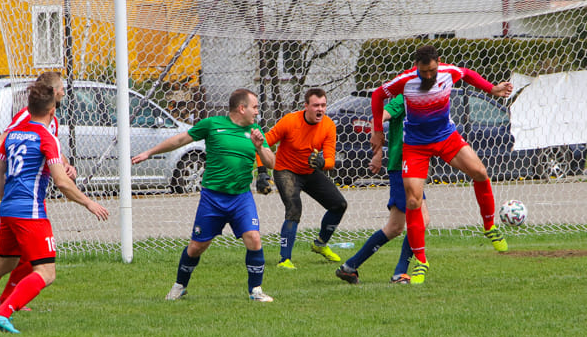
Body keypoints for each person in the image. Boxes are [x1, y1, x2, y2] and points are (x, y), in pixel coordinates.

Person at [0, 82, 108, 333]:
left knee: (4, 264)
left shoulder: (13, 135)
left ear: (29, 108)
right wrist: (89, 202)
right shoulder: (47, 138)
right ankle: (2, 312)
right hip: (31, 212)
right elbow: (61, 181)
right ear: (52, 112)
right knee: (46, 272)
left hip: (8, 209)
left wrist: (8, 198)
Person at [370, 44, 513, 284]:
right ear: (417, 66)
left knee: (479, 172)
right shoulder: (405, 80)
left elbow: (467, 73)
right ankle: (421, 262)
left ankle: (489, 226)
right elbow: (377, 95)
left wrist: (492, 89)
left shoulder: (448, 72)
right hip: (415, 145)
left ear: (439, 63)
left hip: (446, 138)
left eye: (432, 71)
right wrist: (377, 131)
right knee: (413, 200)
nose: (428, 75)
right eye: (424, 71)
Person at [131, 88, 276, 302]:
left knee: (254, 239)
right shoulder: (212, 125)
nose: (257, 112)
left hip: (241, 198)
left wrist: (260, 147)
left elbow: (272, 163)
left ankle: (255, 291)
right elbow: (181, 139)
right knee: (197, 246)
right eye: (254, 107)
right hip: (213, 199)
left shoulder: (255, 131)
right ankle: (179, 286)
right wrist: (150, 152)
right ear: (241, 108)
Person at [0, 71, 77, 309]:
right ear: (54, 93)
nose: (64, 92)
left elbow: (49, 145)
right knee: (32, 258)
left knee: (28, 255)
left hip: (32, 195)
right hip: (23, 195)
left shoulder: (50, 120)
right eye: (62, 88)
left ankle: (8, 298)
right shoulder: (26, 115)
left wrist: (64, 165)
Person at [334, 94, 429, 285]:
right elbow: (379, 117)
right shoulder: (404, 98)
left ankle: (350, 267)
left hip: (412, 167)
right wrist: (377, 151)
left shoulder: (429, 99)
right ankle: (399, 273)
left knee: (394, 227)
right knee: (421, 220)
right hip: (403, 167)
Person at [255, 88, 348, 269]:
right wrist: (262, 172)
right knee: (294, 208)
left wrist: (321, 163)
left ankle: (320, 244)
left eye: (323, 105)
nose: (320, 109)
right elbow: (262, 144)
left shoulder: (328, 125)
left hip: (310, 171)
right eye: (315, 105)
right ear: (306, 106)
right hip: (285, 171)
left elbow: (330, 160)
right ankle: (285, 260)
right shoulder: (290, 121)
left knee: (339, 205)